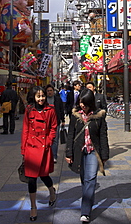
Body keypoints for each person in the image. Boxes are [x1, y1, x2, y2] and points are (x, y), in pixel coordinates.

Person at [65, 88, 109, 223]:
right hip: (79, 150)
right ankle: (88, 199)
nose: (82, 105)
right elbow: (71, 134)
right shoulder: (75, 115)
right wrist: (68, 152)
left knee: (90, 179)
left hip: (93, 151)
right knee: (84, 179)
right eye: (81, 102)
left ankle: (85, 212)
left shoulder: (99, 116)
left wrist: (105, 154)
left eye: (85, 102)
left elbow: (103, 135)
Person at [21, 86, 57, 221]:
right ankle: (33, 207)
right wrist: (23, 149)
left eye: (42, 96)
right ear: (34, 97)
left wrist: (48, 141)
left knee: (44, 175)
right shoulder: (29, 110)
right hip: (31, 146)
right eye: (38, 96)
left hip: (44, 146)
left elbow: (54, 127)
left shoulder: (50, 110)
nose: (41, 99)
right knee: (31, 178)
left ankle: (51, 191)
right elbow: (25, 129)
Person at [45, 83, 65, 163]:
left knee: (55, 139)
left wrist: (63, 120)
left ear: (53, 91)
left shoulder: (57, 99)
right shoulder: (44, 99)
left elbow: (61, 110)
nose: (49, 92)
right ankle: (46, 156)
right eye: (48, 91)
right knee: (46, 139)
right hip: (45, 122)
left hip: (55, 122)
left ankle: (54, 156)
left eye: (51, 91)